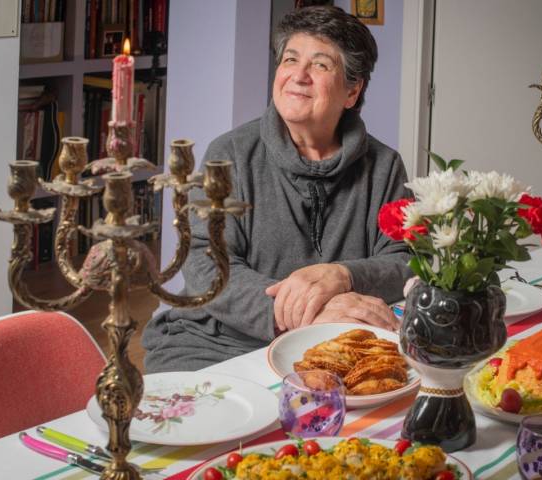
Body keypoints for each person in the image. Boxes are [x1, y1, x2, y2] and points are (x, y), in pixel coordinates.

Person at [142, 6, 413, 373]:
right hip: (217, 341)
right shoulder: (231, 154)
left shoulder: (384, 166)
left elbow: (406, 261)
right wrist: (308, 312)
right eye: (290, 59)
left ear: (352, 90)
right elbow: (206, 264)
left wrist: (343, 274)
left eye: (320, 65)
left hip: (337, 344)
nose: (298, 76)